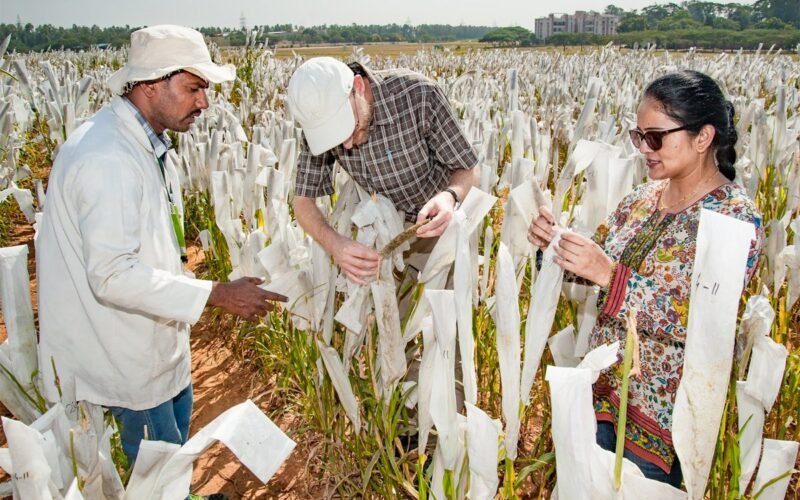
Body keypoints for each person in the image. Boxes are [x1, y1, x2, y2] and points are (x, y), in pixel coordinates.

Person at [36, 25, 287, 467]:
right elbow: (111, 274)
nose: (205, 102)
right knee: (157, 468)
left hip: (154, 339)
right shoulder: (106, 158)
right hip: (124, 353)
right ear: (152, 85)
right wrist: (217, 294)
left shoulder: (144, 144)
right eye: (194, 88)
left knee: (173, 454)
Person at [527, 70, 763, 487]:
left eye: (655, 137)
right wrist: (556, 247)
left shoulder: (733, 218)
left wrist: (609, 273)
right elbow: (597, 272)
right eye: (639, 137)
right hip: (602, 395)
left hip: (663, 425)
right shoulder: (643, 198)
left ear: (703, 137)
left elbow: (704, 321)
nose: (644, 149)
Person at [286, 57, 479, 286]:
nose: (346, 145)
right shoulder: (319, 125)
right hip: (384, 235)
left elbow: (468, 169)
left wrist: (450, 196)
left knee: (446, 313)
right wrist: (335, 244)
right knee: (398, 318)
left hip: (440, 225)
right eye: (336, 138)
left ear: (358, 87)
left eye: (349, 128)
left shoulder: (418, 95)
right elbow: (303, 202)